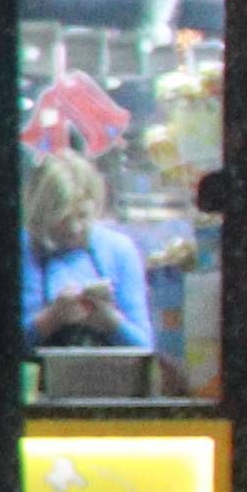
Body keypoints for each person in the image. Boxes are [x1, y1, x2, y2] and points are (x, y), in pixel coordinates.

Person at [20, 152, 155, 357]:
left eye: (82, 216)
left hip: (107, 383)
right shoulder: (23, 250)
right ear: (40, 213)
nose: (74, 229)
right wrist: (52, 318)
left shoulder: (119, 251)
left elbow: (145, 347)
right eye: (63, 219)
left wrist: (111, 322)